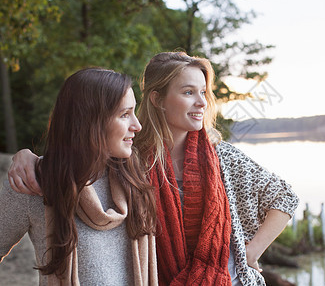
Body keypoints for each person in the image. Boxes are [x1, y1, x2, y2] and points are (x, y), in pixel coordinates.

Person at [8, 52, 299, 286]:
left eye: (203, 92)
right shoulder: (129, 159)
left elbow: (284, 197)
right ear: (158, 100)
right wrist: (31, 159)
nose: (201, 102)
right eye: (188, 92)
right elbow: (81, 155)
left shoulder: (222, 157)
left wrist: (251, 251)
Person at [1, 68, 158, 285]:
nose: (137, 126)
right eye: (124, 114)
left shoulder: (137, 180)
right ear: (90, 121)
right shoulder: (34, 184)